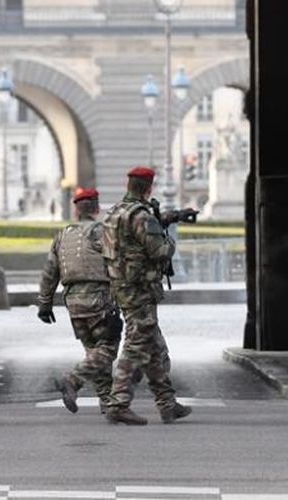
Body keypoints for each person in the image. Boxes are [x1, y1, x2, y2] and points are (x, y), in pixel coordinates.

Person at [100, 166, 192, 425]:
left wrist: (170, 217)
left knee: (156, 349)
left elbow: (132, 235)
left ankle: (167, 403)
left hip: (123, 287)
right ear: (148, 187)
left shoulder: (116, 212)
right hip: (140, 289)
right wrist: (171, 242)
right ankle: (118, 402)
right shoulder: (141, 215)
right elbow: (159, 251)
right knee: (136, 345)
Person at [37, 187, 123, 415]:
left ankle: (107, 401)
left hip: (73, 302)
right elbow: (118, 265)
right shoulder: (103, 232)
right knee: (107, 348)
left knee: (93, 351)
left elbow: (49, 273)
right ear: (96, 208)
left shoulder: (62, 236)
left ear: (76, 210)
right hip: (99, 298)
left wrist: (44, 303)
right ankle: (73, 380)